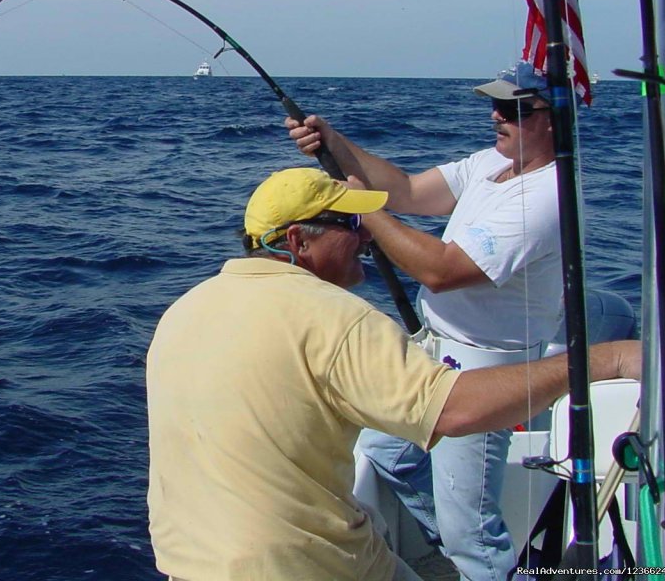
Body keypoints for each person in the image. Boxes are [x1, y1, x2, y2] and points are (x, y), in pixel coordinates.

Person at [145, 166, 639, 581]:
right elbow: (457, 411)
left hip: (187, 563)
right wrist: (604, 360)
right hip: (306, 567)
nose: (366, 235)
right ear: (296, 240)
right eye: (351, 223)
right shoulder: (332, 316)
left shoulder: (185, 308)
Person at [285, 62, 566, 580]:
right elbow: (410, 191)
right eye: (496, 105)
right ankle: (456, 548)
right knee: (386, 450)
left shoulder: (547, 195)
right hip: (436, 351)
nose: (497, 116)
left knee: (472, 532)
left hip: (484, 370)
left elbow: (441, 271)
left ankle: (478, 559)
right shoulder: (493, 164)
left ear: (554, 119)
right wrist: (335, 141)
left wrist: (361, 210)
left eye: (516, 108)